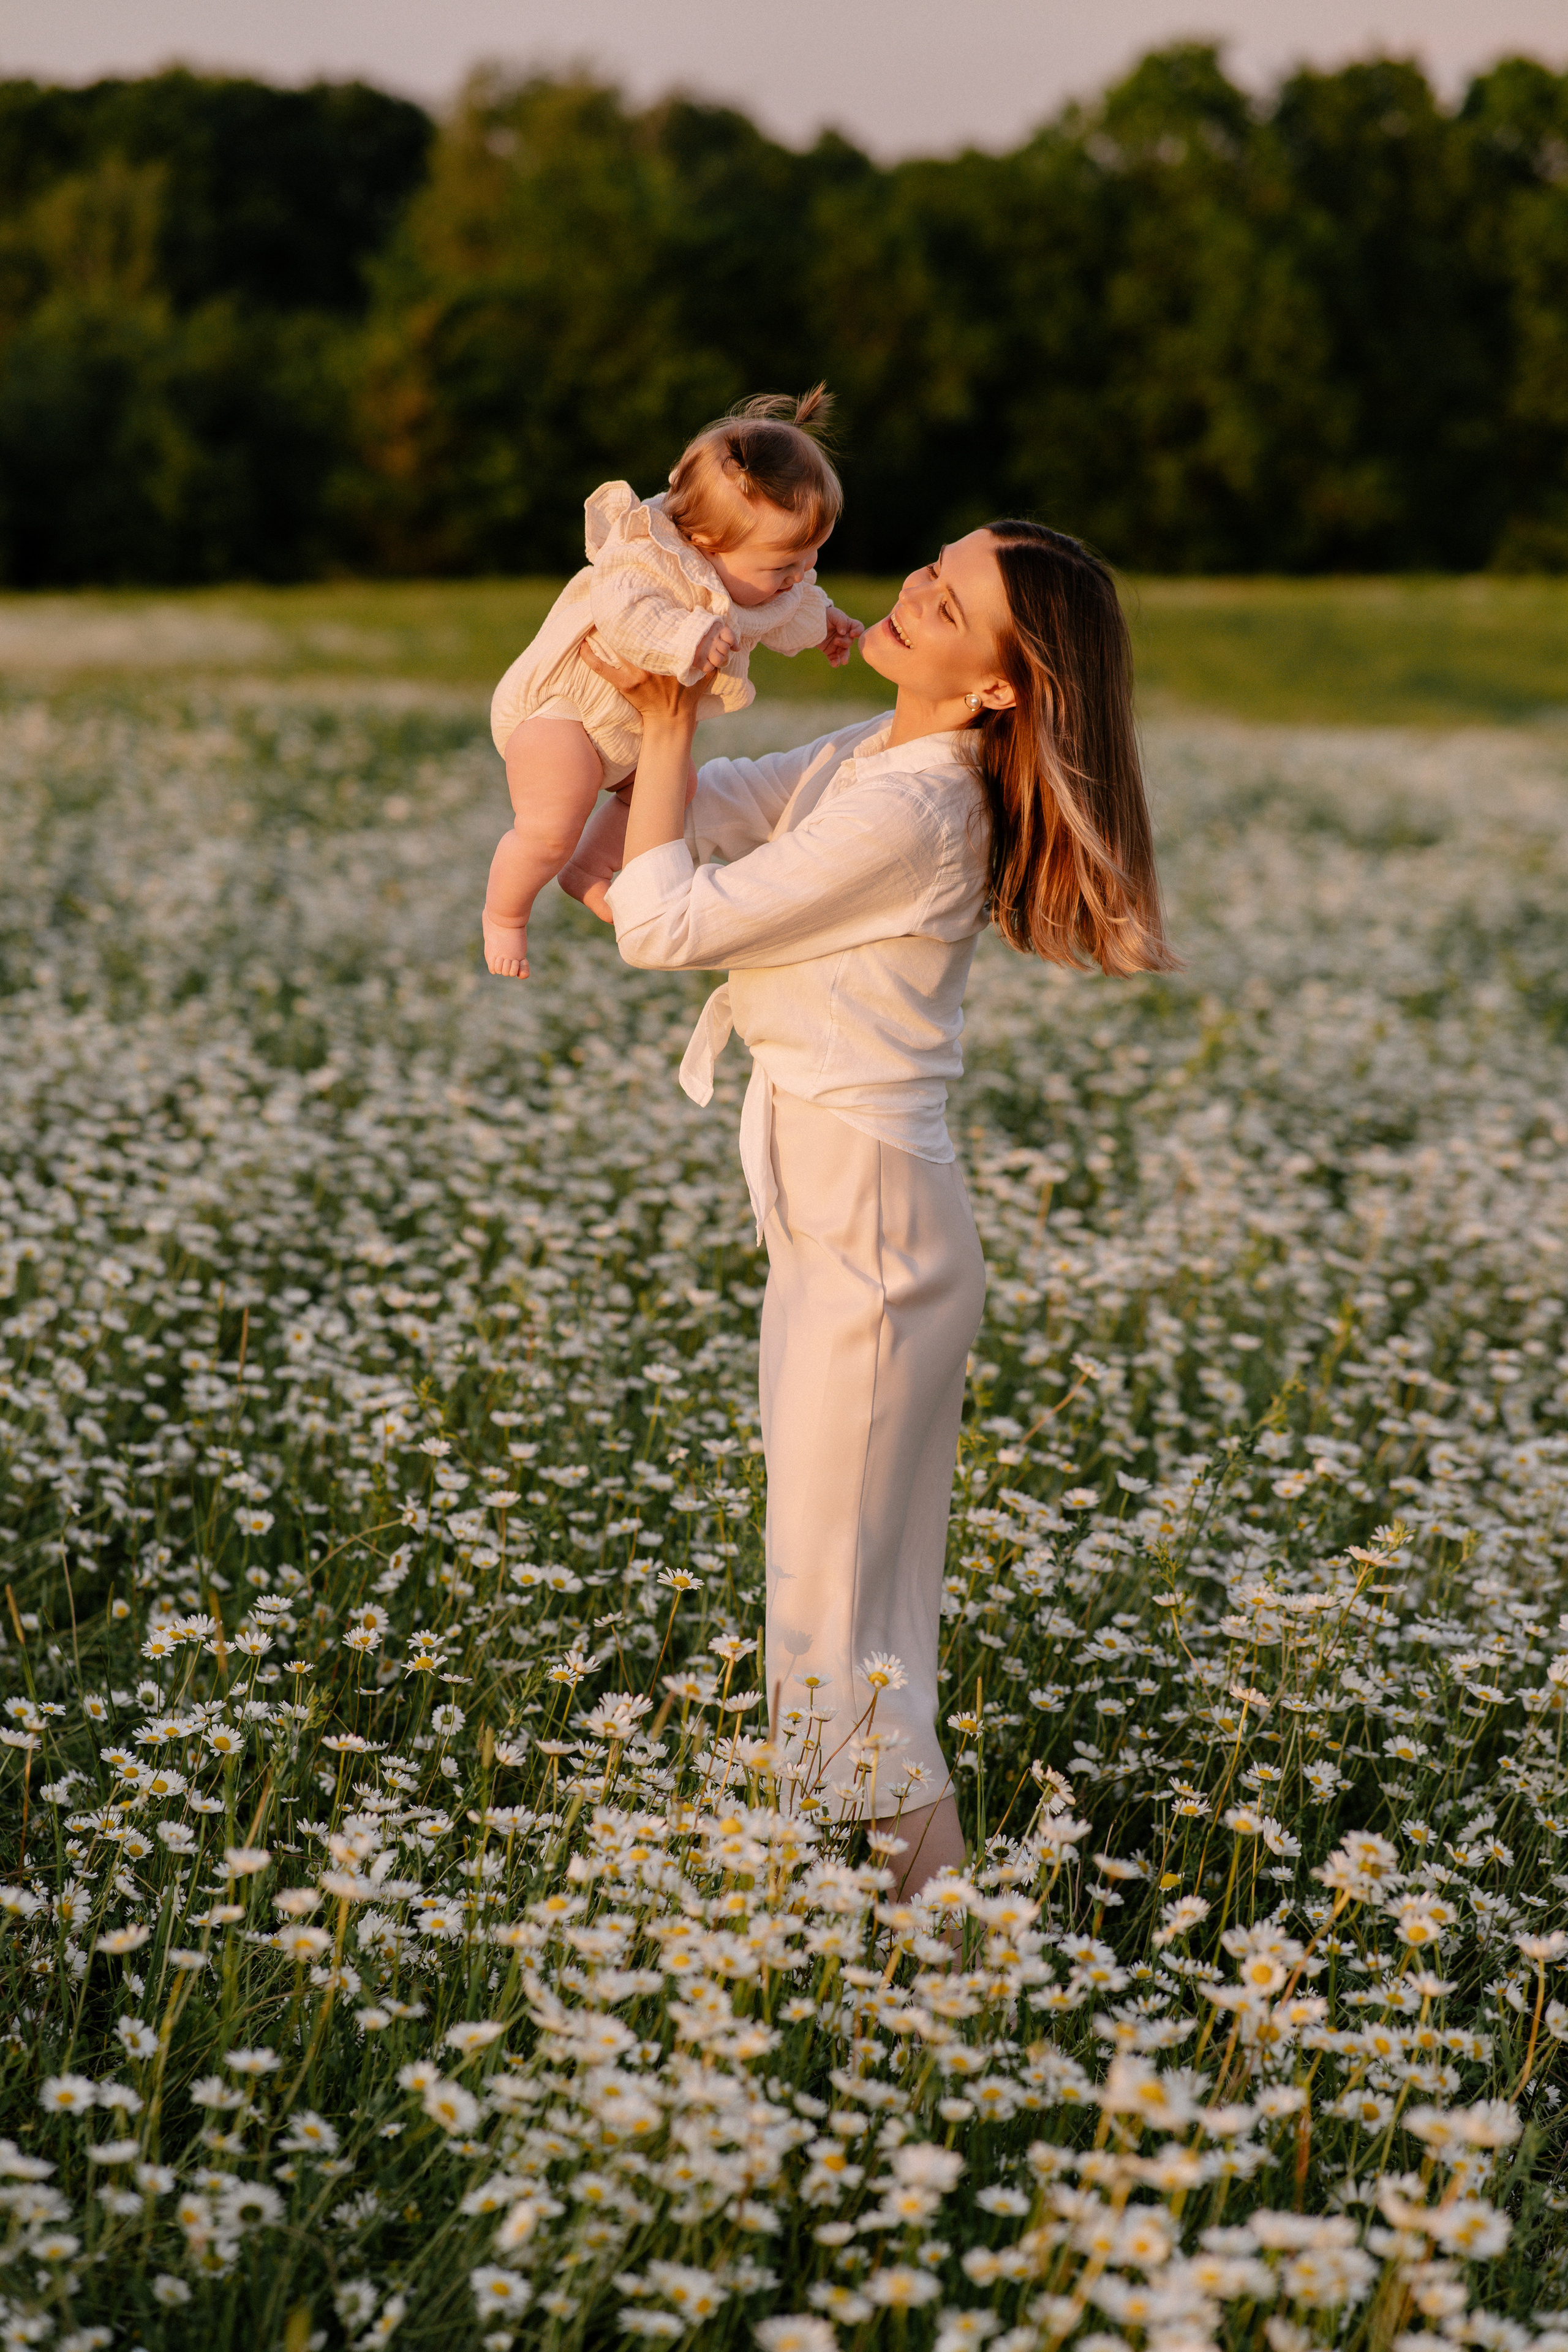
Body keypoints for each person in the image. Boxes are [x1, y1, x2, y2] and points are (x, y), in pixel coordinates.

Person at [582, 521, 1175, 1899]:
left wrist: (661, 723)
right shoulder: (879, 757)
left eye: (951, 603)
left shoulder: (916, 811)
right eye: (931, 568)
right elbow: (710, 810)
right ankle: (877, 1943)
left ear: (999, 686)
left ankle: (946, 1958)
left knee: (837, 1639)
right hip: (844, 1232)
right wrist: (638, 713)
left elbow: (665, 923)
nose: (912, 591)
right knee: (836, 1628)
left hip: (875, 1248)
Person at [482, 387, 864, 979]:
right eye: (784, 566)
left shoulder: (756, 580)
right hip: (561, 715)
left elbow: (789, 610)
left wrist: (825, 624)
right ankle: (504, 916)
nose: (799, 577)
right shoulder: (645, 553)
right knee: (552, 825)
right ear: (709, 544)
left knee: (677, 787)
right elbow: (625, 615)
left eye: (810, 558)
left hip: (629, 735)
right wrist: (690, 635)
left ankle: (589, 869)